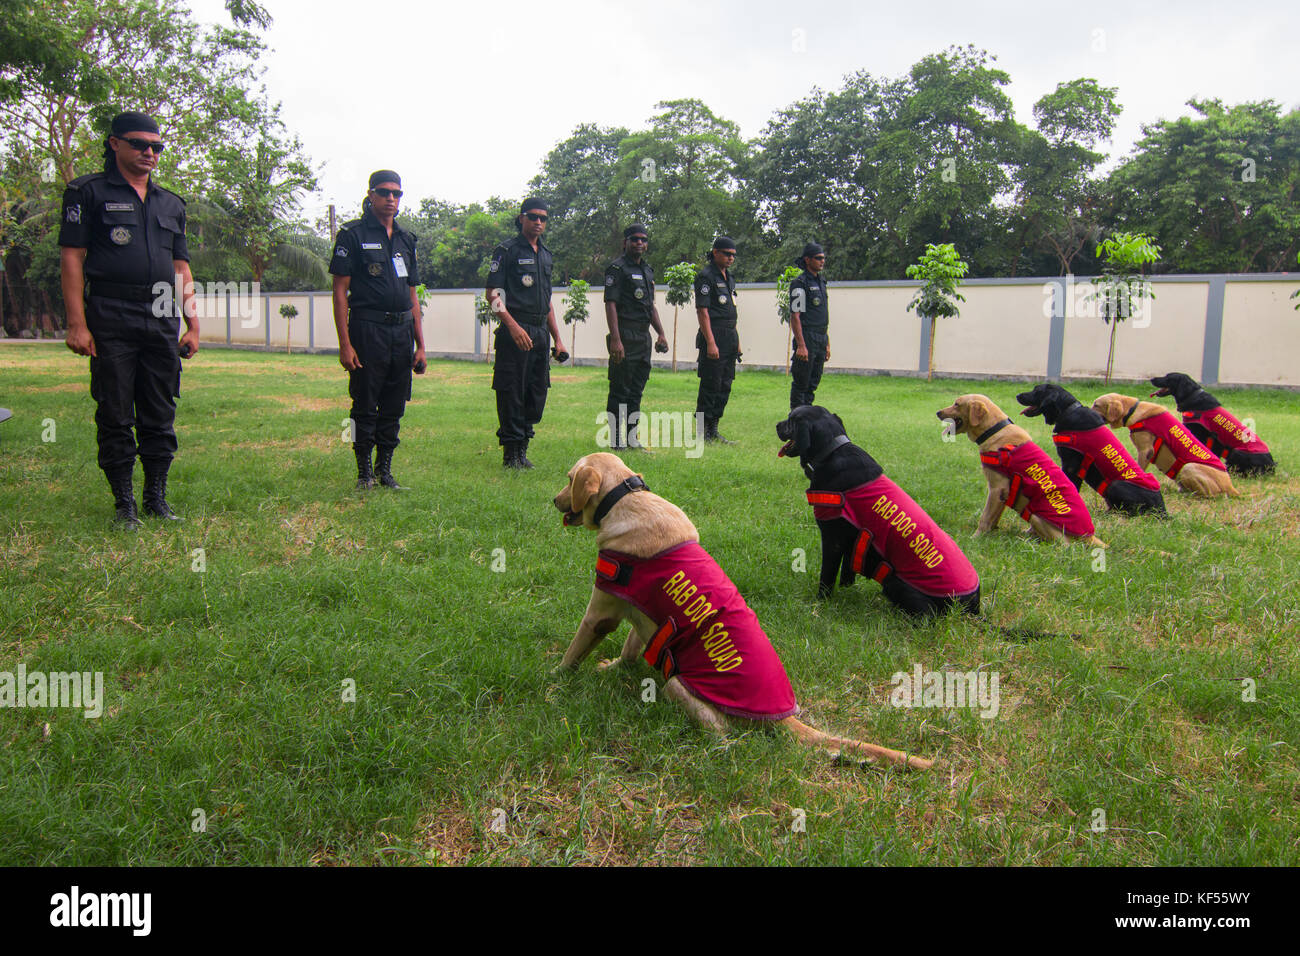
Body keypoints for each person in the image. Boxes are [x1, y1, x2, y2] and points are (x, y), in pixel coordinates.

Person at [59, 111, 199, 529]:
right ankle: (124, 504)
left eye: (157, 146)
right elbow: (72, 257)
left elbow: (181, 267)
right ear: (114, 143)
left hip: (160, 313)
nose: (149, 152)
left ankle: (155, 496)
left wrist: (193, 323)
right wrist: (77, 323)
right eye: (139, 144)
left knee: (160, 408)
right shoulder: (87, 192)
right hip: (110, 311)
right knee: (115, 408)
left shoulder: (171, 203)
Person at [330, 170, 426, 490]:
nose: (391, 199)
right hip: (367, 330)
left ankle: (384, 471)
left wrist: (420, 345)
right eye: (384, 192)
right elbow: (340, 292)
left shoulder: (406, 240)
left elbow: (413, 295)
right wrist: (345, 344)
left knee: (394, 405)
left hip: (401, 333)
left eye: (397, 194)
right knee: (364, 403)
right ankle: (363, 473)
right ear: (370, 194)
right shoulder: (352, 235)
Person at [486, 197, 566, 469]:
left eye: (543, 218)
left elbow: (548, 302)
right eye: (533, 216)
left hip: (540, 333)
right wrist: (512, 326)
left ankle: (523, 448)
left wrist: (558, 339)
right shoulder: (505, 251)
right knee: (512, 391)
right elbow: (493, 295)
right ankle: (511, 453)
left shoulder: (546, 255)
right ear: (521, 218)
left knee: (536, 391)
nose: (538, 222)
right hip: (515, 330)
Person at [603, 224, 669, 450]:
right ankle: (615, 439)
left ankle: (631, 438)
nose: (639, 243)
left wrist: (660, 333)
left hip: (643, 337)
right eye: (634, 239)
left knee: (636, 390)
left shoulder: (648, 271)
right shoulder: (616, 269)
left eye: (643, 239)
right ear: (625, 242)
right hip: (624, 334)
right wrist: (616, 338)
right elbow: (610, 304)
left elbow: (650, 306)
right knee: (620, 389)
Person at [694, 236, 741, 444]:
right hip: (714, 334)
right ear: (715, 253)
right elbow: (702, 312)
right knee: (711, 384)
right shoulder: (706, 277)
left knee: (725, 384)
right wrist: (711, 342)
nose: (731, 258)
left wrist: (737, 340)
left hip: (730, 335)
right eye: (727, 254)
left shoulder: (728, 278)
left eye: (733, 255)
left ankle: (714, 428)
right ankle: (702, 431)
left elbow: (733, 309)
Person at [788, 242, 830, 409]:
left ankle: (807, 421)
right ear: (807, 259)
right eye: (818, 258)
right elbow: (795, 316)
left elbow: (822, 316)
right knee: (801, 384)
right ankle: (796, 423)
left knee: (812, 384)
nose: (822, 261)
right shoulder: (800, 283)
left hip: (821, 337)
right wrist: (801, 345)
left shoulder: (821, 281)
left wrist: (827, 342)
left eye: (823, 258)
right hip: (807, 337)